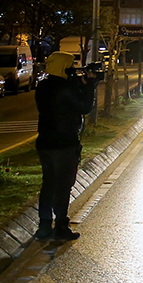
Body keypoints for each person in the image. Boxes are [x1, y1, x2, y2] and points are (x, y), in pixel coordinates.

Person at [34, 52, 97, 242]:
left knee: (48, 184)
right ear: (63, 68)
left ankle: (44, 225)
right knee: (63, 186)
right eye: (70, 66)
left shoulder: (42, 87)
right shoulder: (65, 88)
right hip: (64, 143)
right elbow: (84, 107)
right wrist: (89, 87)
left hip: (45, 142)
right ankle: (61, 225)